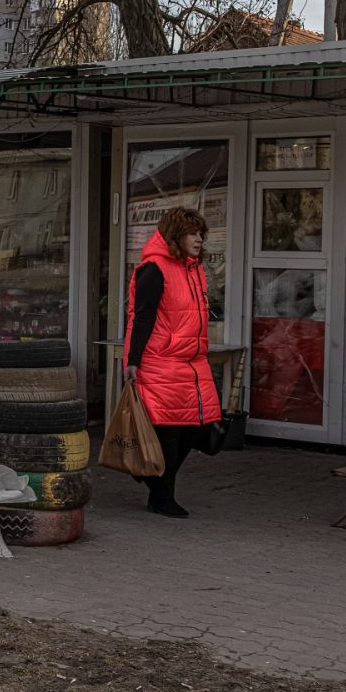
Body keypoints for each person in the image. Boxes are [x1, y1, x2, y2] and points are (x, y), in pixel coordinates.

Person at [124, 206, 222, 518]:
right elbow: (141, 319)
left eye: (201, 234)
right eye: (193, 233)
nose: (199, 239)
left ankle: (152, 479)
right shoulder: (154, 270)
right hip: (161, 361)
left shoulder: (193, 270)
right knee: (169, 432)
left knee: (196, 428)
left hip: (192, 361)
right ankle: (162, 496)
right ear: (176, 236)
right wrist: (133, 361)